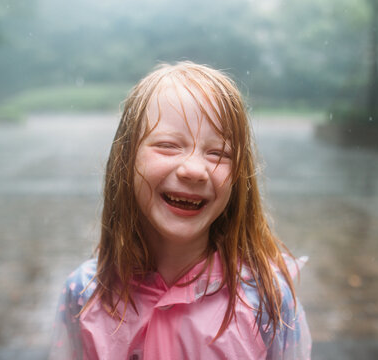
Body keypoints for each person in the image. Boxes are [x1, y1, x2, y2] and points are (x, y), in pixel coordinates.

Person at [50, 62, 311, 360]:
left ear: (239, 178)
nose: (194, 170)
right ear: (126, 159)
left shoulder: (266, 300)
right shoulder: (84, 293)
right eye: (168, 145)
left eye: (219, 153)